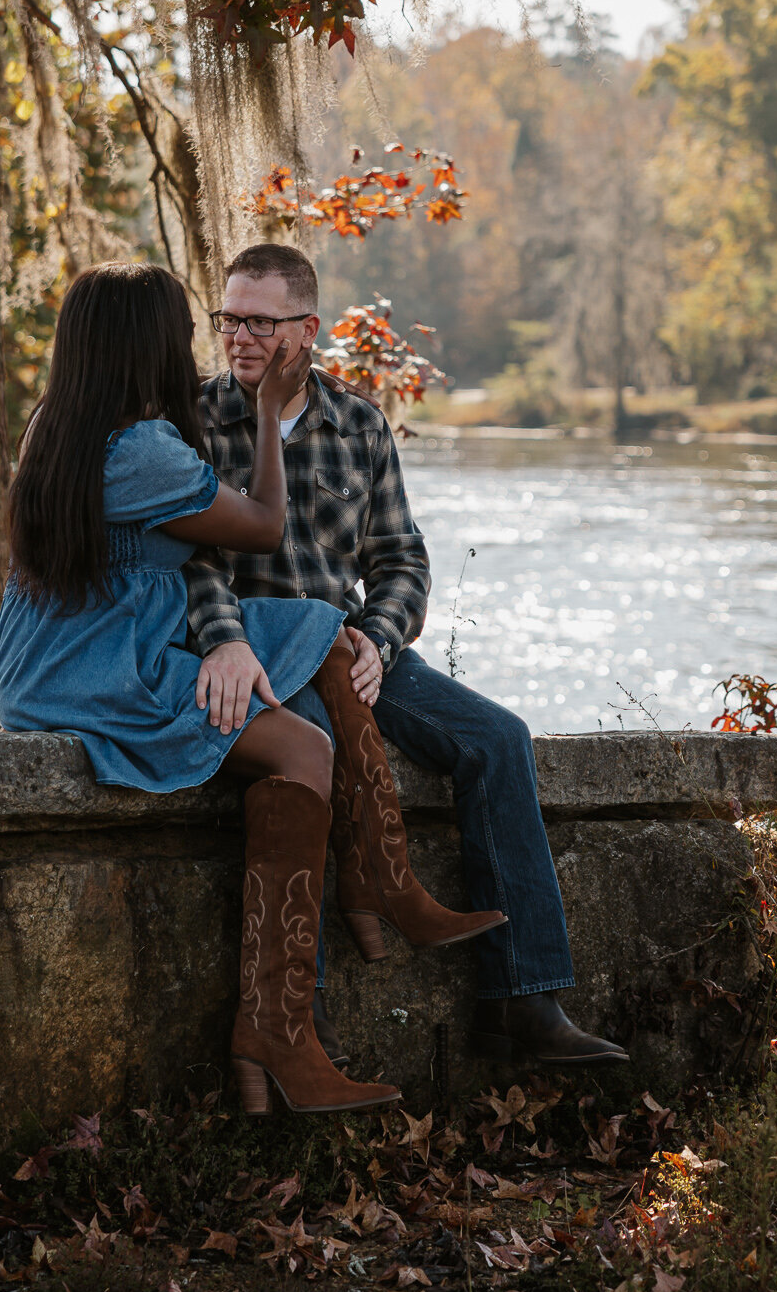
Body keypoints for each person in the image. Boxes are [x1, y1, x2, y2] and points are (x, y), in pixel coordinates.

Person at [0, 262, 498, 1117]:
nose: (212, 340)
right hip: (100, 668)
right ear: (146, 344)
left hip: (65, 650)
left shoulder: (61, 424)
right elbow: (263, 525)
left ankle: (379, 878)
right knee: (302, 746)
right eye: (194, 325)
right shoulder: (140, 450)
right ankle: (278, 1029)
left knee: (328, 635)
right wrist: (266, 416)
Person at [186, 242, 629, 1068]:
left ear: (307, 328)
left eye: (259, 320)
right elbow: (192, 562)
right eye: (228, 318)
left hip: (353, 645)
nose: (239, 336)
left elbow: (400, 561)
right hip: (261, 660)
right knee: (304, 767)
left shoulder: (356, 422)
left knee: (498, 739)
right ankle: (298, 1034)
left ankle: (525, 1006)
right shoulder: (194, 419)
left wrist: (381, 645)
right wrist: (228, 641)